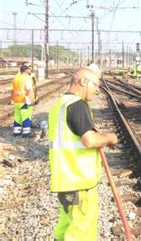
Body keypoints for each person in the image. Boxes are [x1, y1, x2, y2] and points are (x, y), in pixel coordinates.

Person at [48, 67, 118, 240]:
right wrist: (110, 137)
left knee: (65, 226)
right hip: (80, 181)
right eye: (96, 85)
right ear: (83, 82)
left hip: (65, 180)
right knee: (81, 231)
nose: (97, 90)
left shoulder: (60, 104)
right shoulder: (77, 105)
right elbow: (89, 140)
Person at [11, 64, 35, 137]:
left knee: (17, 117)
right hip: (24, 100)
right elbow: (29, 90)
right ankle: (26, 133)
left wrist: (12, 99)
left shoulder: (15, 78)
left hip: (17, 100)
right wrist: (31, 100)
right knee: (26, 116)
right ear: (26, 70)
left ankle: (16, 132)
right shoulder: (27, 78)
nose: (30, 70)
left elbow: (12, 90)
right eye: (29, 69)